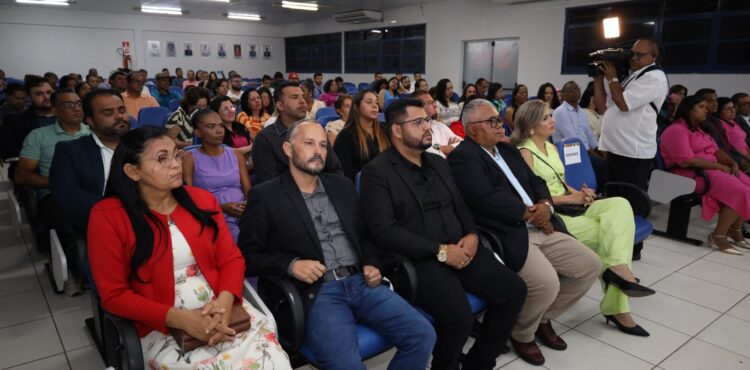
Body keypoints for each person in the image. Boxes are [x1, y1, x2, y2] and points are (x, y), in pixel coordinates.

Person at [87, 126, 291, 370]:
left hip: (223, 311)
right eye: (162, 159)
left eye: (176, 155)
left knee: (273, 361)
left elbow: (232, 260)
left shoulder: (201, 200)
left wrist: (225, 302)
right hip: (160, 324)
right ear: (132, 171)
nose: (175, 164)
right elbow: (114, 295)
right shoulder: (108, 216)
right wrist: (180, 319)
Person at [238, 120, 436, 370]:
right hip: (318, 292)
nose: (318, 151)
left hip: (361, 282)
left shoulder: (341, 186)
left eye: (322, 145)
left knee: (422, 334)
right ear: (288, 149)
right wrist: (290, 265)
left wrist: (372, 263)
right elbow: (246, 256)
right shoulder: (266, 196)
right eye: (309, 143)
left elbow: (364, 235)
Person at [360, 98, 527, 370]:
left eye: (427, 120)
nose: (427, 126)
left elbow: (461, 205)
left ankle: (479, 362)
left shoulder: (438, 163)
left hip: (461, 247)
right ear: (397, 131)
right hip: (420, 259)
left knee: (514, 290)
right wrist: (440, 251)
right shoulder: (376, 172)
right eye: (418, 122)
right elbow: (384, 232)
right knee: (458, 317)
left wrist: (472, 235)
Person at [447, 99, 600, 366]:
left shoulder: (507, 150)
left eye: (499, 119)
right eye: (491, 121)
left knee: (590, 265)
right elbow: (485, 198)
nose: (500, 125)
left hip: (541, 223)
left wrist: (545, 205)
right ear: (471, 129)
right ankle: (522, 333)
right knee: (546, 282)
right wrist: (530, 213)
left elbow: (536, 181)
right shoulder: (464, 157)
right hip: (509, 232)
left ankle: (540, 319)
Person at [512, 99, 655, 337]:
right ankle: (617, 306)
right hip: (555, 214)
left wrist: (580, 193)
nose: (552, 120)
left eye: (551, 115)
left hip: (572, 205)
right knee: (609, 237)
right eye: (546, 117)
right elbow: (532, 199)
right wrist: (571, 199)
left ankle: (618, 270)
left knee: (620, 204)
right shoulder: (524, 153)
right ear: (530, 125)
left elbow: (559, 183)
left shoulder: (553, 147)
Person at [660, 95, 750, 255]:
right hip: (689, 174)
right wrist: (720, 167)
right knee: (741, 192)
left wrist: (731, 163)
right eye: (701, 107)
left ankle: (735, 230)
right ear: (689, 109)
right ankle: (718, 236)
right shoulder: (676, 130)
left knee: (748, 185)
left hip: (710, 169)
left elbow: (716, 150)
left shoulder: (700, 129)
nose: (706, 110)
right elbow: (686, 162)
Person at [594, 37, 668, 195]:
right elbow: (602, 108)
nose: (633, 58)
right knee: (613, 199)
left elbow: (624, 105)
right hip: (616, 149)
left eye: (639, 55)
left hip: (632, 152)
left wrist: (612, 77)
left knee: (628, 203)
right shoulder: (634, 76)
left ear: (654, 55)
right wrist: (598, 80)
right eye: (632, 54)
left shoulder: (654, 77)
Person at [50, 89, 130, 233]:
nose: (119, 116)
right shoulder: (70, 151)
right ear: (90, 121)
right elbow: (67, 195)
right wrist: (122, 209)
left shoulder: (143, 144)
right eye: (108, 113)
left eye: (122, 110)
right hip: (102, 223)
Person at [252, 82, 342, 184]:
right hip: (285, 197)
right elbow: (269, 184)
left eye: (303, 97)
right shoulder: (265, 138)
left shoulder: (317, 132)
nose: (302, 101)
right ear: (280, 106)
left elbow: (335, 170)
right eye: (295, 97)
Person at [184, 110, 250, 242]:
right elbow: (187, 198)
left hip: (244, 211)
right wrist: (222, 208)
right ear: (198, 132)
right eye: (211, 126)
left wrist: (248, 204)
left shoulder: (236, 154)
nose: (219, 130)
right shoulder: (190, 158)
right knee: (240, 241)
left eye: (220, 125)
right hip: (213, 215)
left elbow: (248, 189)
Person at [0, 76, 56, 180]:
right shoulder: (15, 121)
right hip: (35, 176)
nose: (47, 97)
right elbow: (9, 152)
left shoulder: (66, 117)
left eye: (49, 92)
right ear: (28, 97)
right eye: (39, 94)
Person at [552, 81, 606, 189]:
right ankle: (597, 192)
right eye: (570, 90)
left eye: (577, 89)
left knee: (607, 161)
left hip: (582, 150)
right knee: (600, 164)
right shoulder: (560, 111)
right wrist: (595, 155)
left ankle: (598, 191)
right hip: (569, 151)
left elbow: (589, 135)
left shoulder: (581, 112)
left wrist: (601, 151)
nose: (575, 92)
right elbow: (573, 139)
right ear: (563, 94)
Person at [333, 90, 389, 179]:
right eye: (369, 102)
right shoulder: (345, 136)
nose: (375, 106)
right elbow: (344, 172)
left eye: (376, 103)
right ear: (356, 107)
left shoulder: (385, 130)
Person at [412, 90, 462, 158]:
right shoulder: (414, 129)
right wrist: (442, 148)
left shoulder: (439, 126)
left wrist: (449, 147)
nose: (435, 105)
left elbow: (461, 142)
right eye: (430, 103)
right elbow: (427, 148)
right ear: (419, 107)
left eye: (434, 102)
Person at [712, 97, 750, 172]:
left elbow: (744, 142)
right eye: (728, 109)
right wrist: (746, 157)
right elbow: (729, 146)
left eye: (733, 107)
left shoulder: (733, 121)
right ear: (720, 112)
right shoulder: (720, 124)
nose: (733, 110)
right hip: (739, 157)